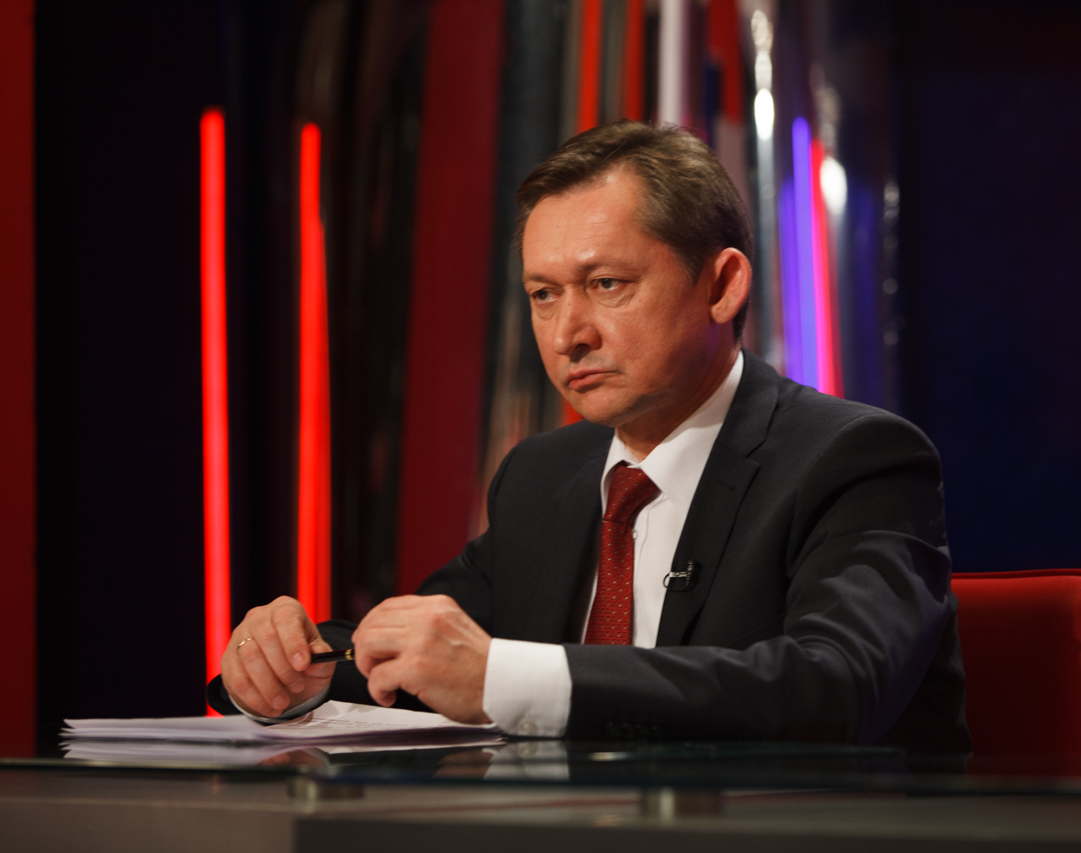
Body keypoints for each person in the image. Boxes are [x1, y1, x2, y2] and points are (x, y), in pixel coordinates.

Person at [209, 120, 970, 752]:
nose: (568, 334)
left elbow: (833, 689)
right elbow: (429, 659)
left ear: (722, 284)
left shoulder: (855, 460)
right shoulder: (542, 476)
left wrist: (504, 678)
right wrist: (291, 667)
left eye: (607, 285)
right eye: (544, 294)